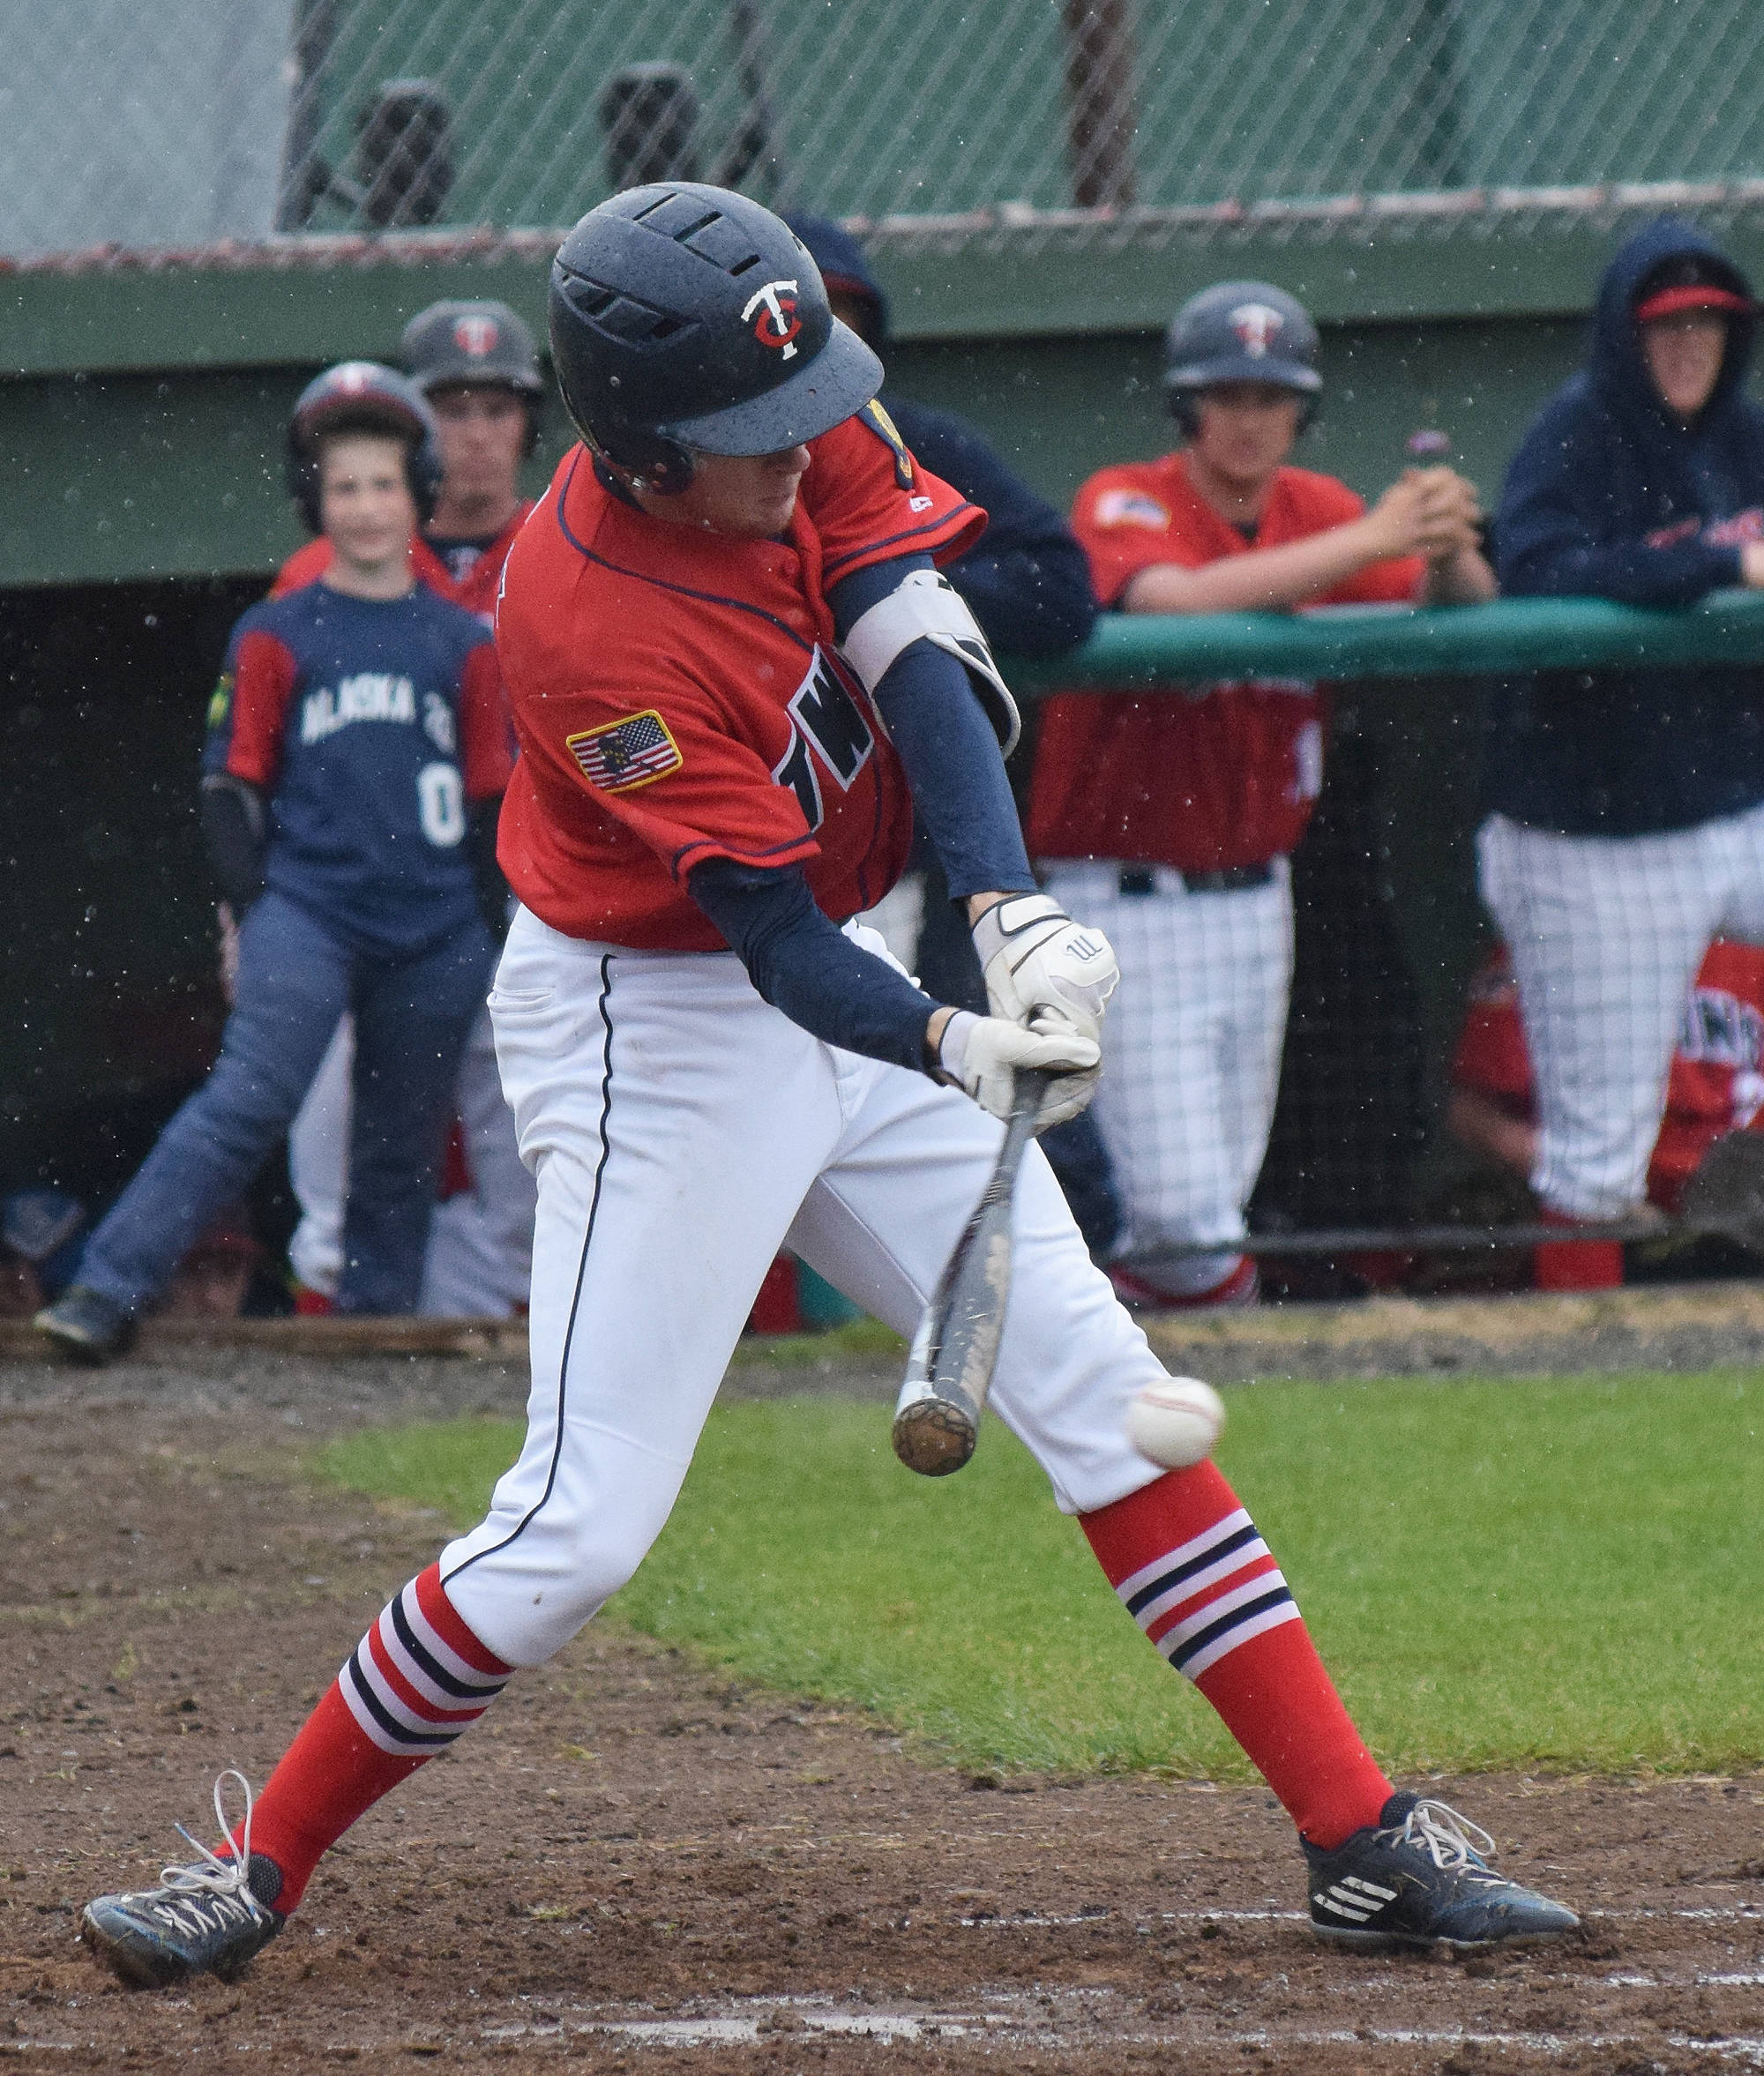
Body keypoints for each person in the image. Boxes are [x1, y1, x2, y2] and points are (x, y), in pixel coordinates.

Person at [75, 186, 1573, 1991]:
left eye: (804, 417)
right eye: (745, 441)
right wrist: (958, 1037)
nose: (797, 455)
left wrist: (1007, 911)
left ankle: (1359, 1838)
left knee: (1108, 1397)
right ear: (635, 441)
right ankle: (250, 1864)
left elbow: (915, 651)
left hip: (847, 951)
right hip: (657, 1021)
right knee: (574, 1534)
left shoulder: (794, 404)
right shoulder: (581, 630)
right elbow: (771, 943)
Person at [1026, 280, 1495, 1310]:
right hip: (1120, 901)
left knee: (1206, 1211)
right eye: (1225, 394)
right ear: (1186, 406)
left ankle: (1147, 1388)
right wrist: (1373, 539)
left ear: (1300, 409)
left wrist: (1445, 534)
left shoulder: (1314, 509)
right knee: (1184, 1221)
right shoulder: (1127, 495)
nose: (1248, 417)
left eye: (1270, 396)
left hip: (1256, 896)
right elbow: (1172, 603)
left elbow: (1471, 612)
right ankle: (1166, 1378)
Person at [36, 364, 512, 1360]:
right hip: (311, 907)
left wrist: (486, 921)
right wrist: (255, 905)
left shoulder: (462, 642)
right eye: (345, 487)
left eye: (384, 483)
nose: (367, 506)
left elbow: (487, 796)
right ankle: (106, 1287)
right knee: (248, 1097)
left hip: (433, 923)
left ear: (416, 492)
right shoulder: (276, 632)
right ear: (314, 502)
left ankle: (374, 1336)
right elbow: (229, 785)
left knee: (399, 1141)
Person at [786, 211, 1120, 1257]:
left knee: (1019, 1079)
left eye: (846, 318)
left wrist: (887, 581)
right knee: (800, 1094)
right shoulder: (711, 477)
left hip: (939, 829)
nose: (824, 344)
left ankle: (1077, 1285)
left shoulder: (920, 446)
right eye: (809, 317)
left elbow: (1060, 593)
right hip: (790, 835)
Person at [1482, 218, 1764, 1291]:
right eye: (1666, 326)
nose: (1689, 344)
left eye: (1708, 323)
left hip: (1730, 806)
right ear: (1624, 335)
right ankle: (1577, 1355)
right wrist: (1715, 557)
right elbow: (1537, 570)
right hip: (1596, 833)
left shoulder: (1740, 433)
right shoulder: (1576, 433)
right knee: (1598, 1145)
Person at [277, 302, 545, 1320]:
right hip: (361, 900)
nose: (474, 430)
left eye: (496, 405)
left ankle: (465, 1350)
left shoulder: (568, 547)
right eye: (450, 407)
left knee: (528, 1161)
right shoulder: (330, 570)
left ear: (526, 422)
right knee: (333, 1141)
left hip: (528, 893)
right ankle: (351, 1352)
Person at [1449, 936, 1764, 1282]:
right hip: (1601, 1234)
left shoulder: (1747, 934)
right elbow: (1472, 1112)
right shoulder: (1553, 932)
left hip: (1743, 1227)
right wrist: (1596, 1183)